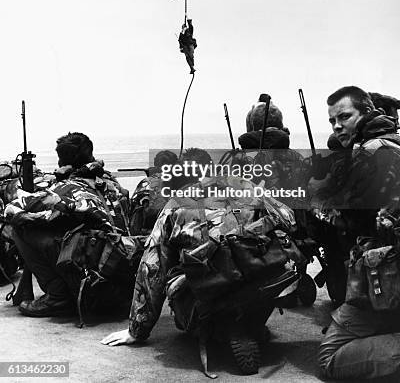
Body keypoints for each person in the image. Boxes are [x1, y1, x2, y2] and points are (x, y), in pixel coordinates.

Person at [101, 152, 299, 367]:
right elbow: (288, 218)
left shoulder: (176, 204)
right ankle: (250, 323)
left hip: (211, 285)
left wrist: (137, 329)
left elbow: (152, 267)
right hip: (259, 274)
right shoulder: (247, 186)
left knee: (176, 278)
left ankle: (217, 329)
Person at [318, 85, 400, 379]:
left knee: (330, 359)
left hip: (385, 272)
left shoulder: (369, 152)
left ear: (365, 112)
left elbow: (351, 221)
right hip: (387, 264)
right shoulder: (393, 142)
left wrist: (318, 205)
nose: (337, 126)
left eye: (344, 116)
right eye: (332, 120)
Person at [4, 132, 132, 318]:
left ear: (65, 162)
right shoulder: (113, 184)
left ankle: (58, 296)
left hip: (95, 289)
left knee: (21, 228)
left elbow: (12, 209)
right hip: (123, 285)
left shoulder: (67, 188)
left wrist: (34, 215)